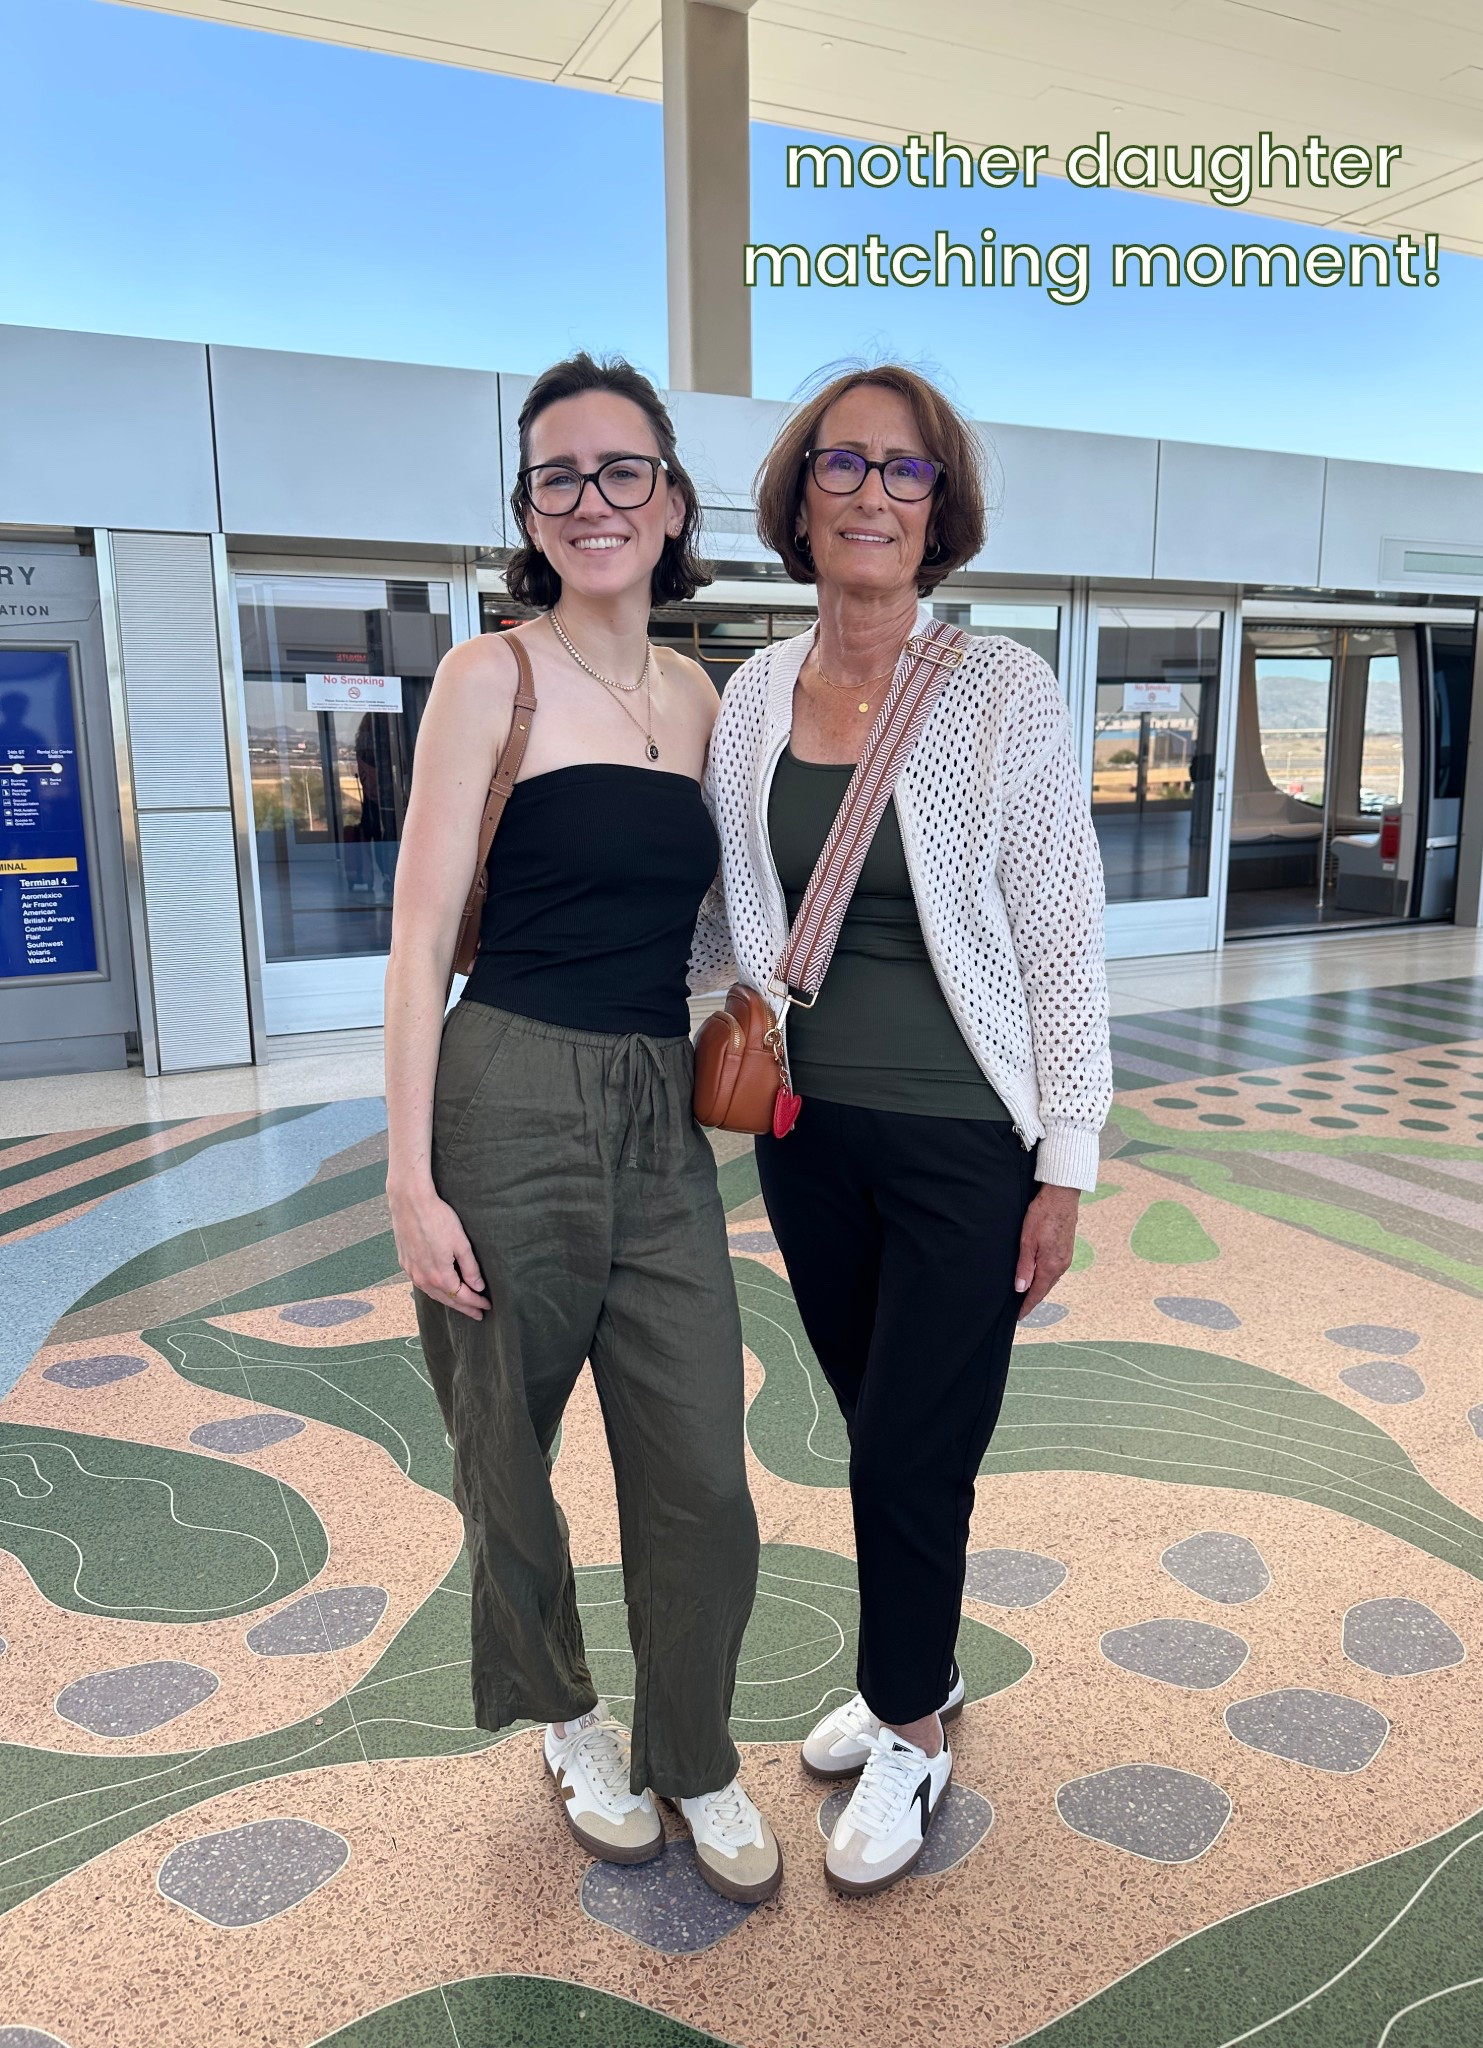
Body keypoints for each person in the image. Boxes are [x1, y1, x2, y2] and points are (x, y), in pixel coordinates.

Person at [704, 364, 1110, 1896]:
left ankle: (918, 1724)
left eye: (908, 471)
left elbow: (1062, 935)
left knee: (916, 1450)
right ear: (800, 496)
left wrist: (1063, 1160)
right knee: (878, 1424)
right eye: (843, 463)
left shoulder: (998, 687)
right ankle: (906, 1676)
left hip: (959, 1137)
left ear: (943, 509)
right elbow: (729, 909)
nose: (873, 492)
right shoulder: (749, 697)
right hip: (807, 1136)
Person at [384, 352, 780, 1905]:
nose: (594, 500)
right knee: (507, 1449)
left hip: (654, 1103)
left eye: (624, 472)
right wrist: (411, 1180)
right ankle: (565, 1716)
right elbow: (421, 945)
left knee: (703, 1468)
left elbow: (723, 924)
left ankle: (697, 1749)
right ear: (529, 513)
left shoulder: (698, 697)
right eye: (560, 476)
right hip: (507, 1087)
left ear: (672, 503)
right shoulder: (495, 678)